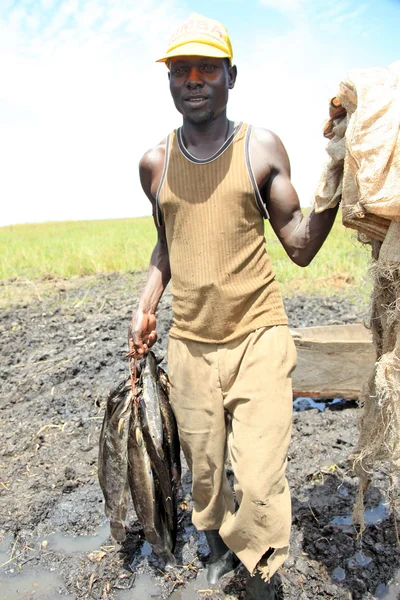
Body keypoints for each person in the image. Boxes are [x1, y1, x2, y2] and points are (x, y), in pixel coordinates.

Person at [128, 13, 339, 599]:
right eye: (180, 70)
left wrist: (339, 174)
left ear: (230, 76)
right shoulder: (155, 163)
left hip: (257, 338)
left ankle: (264, 570)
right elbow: (168, 242)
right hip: (190, 345)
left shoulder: (261, 147)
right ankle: (218, 552)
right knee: (205, 470)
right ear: (170, 82)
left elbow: (297, 244)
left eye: (206, 69)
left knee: (261, 474)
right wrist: (146, 304)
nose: (193, 80)